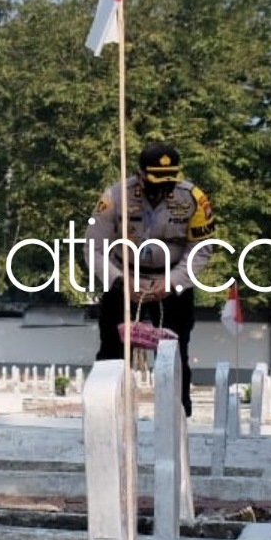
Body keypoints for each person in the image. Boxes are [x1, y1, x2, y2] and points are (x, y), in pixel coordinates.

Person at [86, 141, 215, 416]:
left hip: (171, 282)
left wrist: (173, 281)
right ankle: (103, 413)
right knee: (111, 350)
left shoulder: (193, 198)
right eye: (156, 182)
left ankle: (178, 416)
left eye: (169, 182)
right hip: (124, 277)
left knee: (175, 352)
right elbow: (93, 247)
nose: (163, 189)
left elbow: (202, 248)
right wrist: (120, 281)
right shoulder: (115, 196)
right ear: (140, 175)